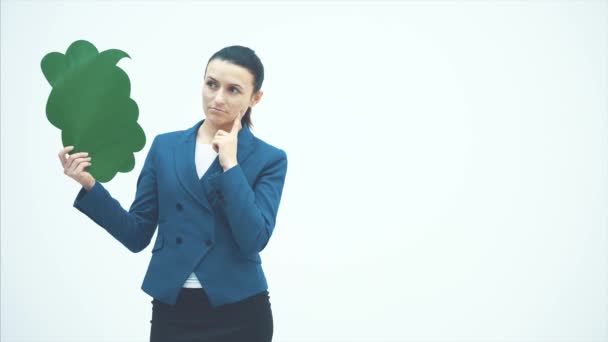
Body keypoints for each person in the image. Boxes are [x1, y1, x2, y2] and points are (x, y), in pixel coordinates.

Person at [57, 45, 287, 342]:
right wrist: (89, 185)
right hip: (174, 311)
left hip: (241, 312)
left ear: (255, 98)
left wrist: (231, 165)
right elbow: (136, 233)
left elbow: (254, 238)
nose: (217, 98)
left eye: (233, 90)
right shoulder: (165, 148)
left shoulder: (269, 158)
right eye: (211, 84)